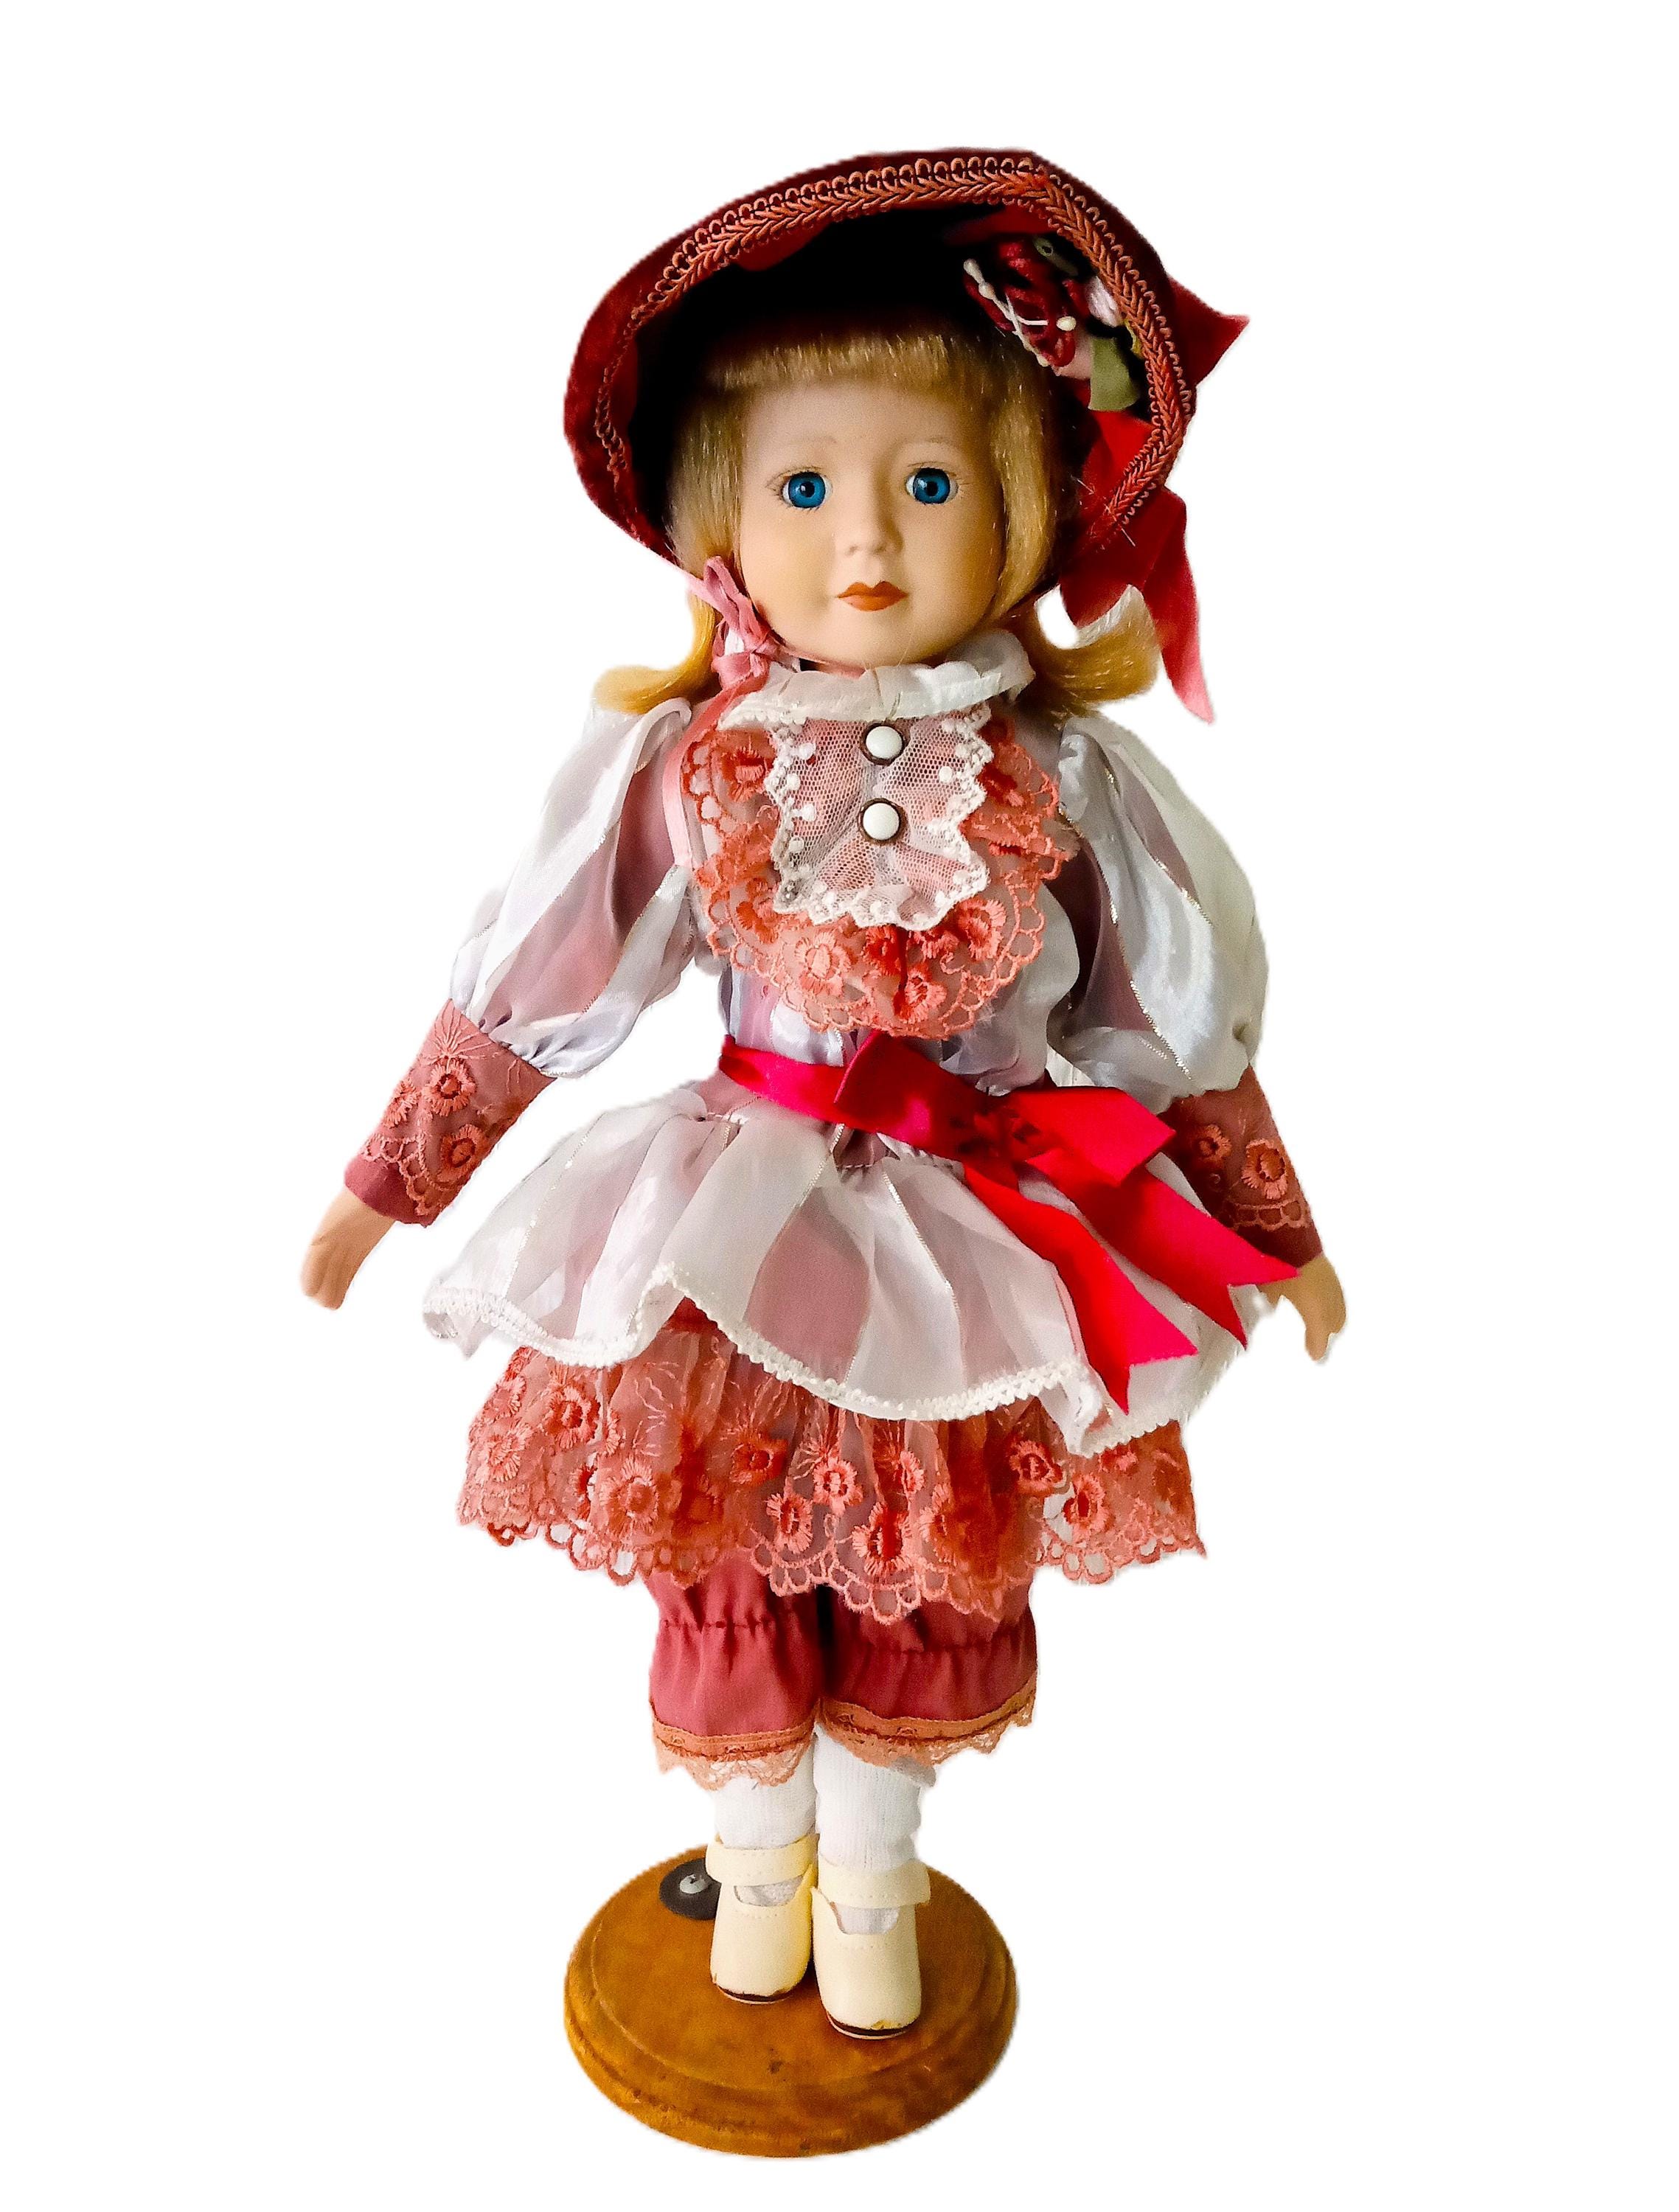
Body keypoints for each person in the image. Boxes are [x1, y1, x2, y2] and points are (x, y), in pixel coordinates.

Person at [302, 150, 1345, 2039]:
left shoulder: (1068, 781)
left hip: (982, 1234)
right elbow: (544, 988)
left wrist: (1278, 1231)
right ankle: (760, 1857)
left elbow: (1170, 1028)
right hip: (736, 1224)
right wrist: (387, 1186)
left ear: (1018, 506)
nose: (863, 542)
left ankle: (868, 1875)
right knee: (726, 1543)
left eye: (926, 486)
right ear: (721, 522)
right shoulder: (688, 766)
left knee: (929, 1555)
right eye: (803, 489)